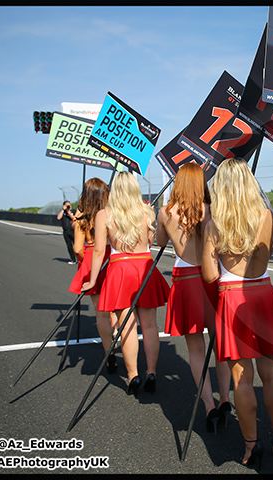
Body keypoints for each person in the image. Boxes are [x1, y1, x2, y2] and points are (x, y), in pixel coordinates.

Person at [202, 158, 273, 470]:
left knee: (242, 379)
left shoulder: (214, 224)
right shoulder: (266, 216)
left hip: (231, 297)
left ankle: (252, 443)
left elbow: (210, 275)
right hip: (261, 293)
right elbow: (262, 261)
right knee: (271, 375)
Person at [156, 163, 232, 434]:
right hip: (212, 278)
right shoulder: (212, 210)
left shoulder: (166, 212)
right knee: (220, 344)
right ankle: (225, 397)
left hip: (185, 280)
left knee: (196, 349)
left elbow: (160, 241)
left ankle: (209, 404)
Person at [82, 171, 170, 397]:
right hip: (144, 266)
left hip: (120, 268)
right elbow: (151, 243)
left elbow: (100, 250)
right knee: (149, 326)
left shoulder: (105, 214)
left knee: (126, 327)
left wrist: (92, 279)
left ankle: (133, 374)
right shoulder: (146, 211)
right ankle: (151, 371)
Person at [68, 178, 117, 372]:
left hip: (91, 260)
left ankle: (109, 354)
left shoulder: (82, 219)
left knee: (101, 313)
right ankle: (117, 332)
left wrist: (84, 261)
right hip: (111, 258)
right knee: (115, 306)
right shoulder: (111, 214)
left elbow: (77, 248)